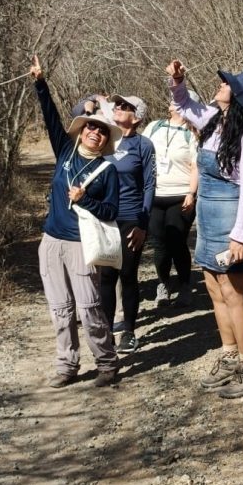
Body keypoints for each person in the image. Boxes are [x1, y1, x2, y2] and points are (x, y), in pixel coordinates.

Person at [165, 59, 243, 399]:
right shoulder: (214, 122)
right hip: (207, 219)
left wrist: (241, 235)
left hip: (230, 221)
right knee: (213, 288)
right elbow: (183, 104)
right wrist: (177, 80)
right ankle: (227, 357)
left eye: (226, 84)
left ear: (237, 96)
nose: (220, 86)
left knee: (234, 293)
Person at [29, 55, 122, 389]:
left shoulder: (108, 169)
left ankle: (107, 363)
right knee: (60, 309)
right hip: (51, 240)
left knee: (89, 308)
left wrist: (87, 199)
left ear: (106, 139)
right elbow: (51, 116)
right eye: (90, 128)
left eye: (100, 130)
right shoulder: (65, 152)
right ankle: (66, 364)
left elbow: (112, 211)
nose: (94, 133)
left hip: (82, 243)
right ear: (81, 132)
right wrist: (41, 83)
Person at [99, 94, 156, 354]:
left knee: (128, 275)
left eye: (125, 106)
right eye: (117, 105)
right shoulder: (103, 139)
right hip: (104, 217)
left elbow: (149, 185)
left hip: (131, 217)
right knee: (107, 276)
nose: (119, 108)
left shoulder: (143, 145)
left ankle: (130, 332)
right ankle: (108, 331)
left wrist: (143, 224)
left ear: (137, 116)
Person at [143, 95, 200, 308]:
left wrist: (191, 193)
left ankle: (185, 284)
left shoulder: (192, 133)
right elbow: (142, 154)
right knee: (159, 244)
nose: (174, 102)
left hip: (181, 195)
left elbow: (196, 166)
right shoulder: (154, 127)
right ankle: (163, 283)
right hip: (154, 195)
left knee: (177, 242)